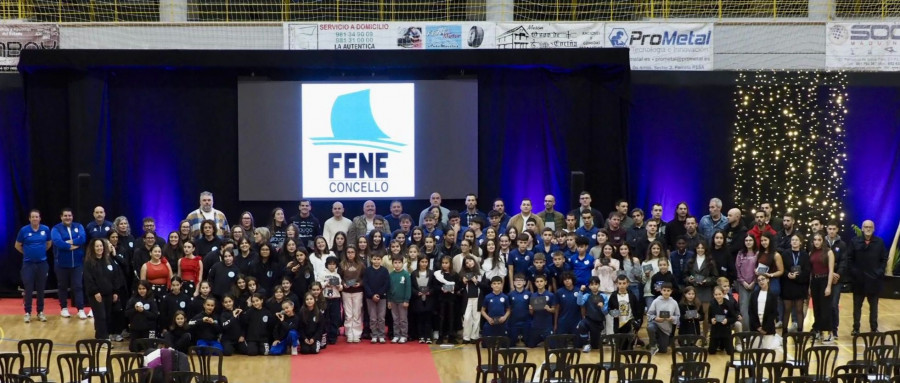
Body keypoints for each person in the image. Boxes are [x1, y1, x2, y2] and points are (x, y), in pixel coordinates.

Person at [847, 220, 887, 335]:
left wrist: (879, 272)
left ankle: (874, 328)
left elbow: (884, 259)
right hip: (858, 281)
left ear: (873, 229)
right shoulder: (855, 242)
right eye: (866, 227)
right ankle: (856, 328)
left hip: (874, 281)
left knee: (874, 307)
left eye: (870, 227)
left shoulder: (879, 243)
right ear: (862, 228)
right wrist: (854, 272)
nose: (868, 229)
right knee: (857, 307)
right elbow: (850, 259)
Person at [83, 238, 124, 340]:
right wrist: (95, 292)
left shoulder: (108, 260)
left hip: (109, 294)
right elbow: (89, 279)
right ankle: (103, 339)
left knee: (108, 316)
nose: (99, 248)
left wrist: (115, 291)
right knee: (100, 316)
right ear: (93, 248)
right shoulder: (89, 262)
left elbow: (115, 276)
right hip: (96, 295)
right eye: (97, 246)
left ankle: (102, 335)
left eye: (101, 246)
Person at [51, 208, 89, 319]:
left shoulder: (79, 226)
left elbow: (82, 239)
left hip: (77, 263)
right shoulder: (56, 229)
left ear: (72, 217)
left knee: (77, 286)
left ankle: (80, 309)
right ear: (61, 217)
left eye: (69, 215)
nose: (68, 218)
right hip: (61, 264)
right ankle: (64, 308)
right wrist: (70, 246)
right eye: (65, 216)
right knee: (62, 286)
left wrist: (69, 242)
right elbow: (58, 242)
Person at [16, 209, 52, 323]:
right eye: (33, 217)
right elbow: (17, 245)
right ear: (29, 219)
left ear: (40, 218)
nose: (35, 219)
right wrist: (27, 253)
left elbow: (49, 243)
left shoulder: (45, 229)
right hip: (28, 265)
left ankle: (40, 312)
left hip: (42, 264)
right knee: (28, 289)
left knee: (41, 289)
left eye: (37, 217)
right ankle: (27, 312)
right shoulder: (24, 230)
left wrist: (39, 253)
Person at [684, 242, 717, 341]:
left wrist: (706, 281)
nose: (700, 250)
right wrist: (689, 279)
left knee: (706, 317)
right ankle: (693, 336)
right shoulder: (690, 261)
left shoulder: (710, 262)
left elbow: (715, 278)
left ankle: (704, 338)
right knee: (693, 314)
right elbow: (685, 276)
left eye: (702, 248)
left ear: (705, 249)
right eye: (698, 248)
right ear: (695, 249)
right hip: (693, 292)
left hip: (706, 291)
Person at [808, 233, 835, 343]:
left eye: (819, 239)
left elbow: (831, 270)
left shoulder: (829, 252)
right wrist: (809, 286)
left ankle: (829, 332)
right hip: (815, 281)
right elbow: (811, 271)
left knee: (826, 308)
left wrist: (828, 286)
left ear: (822, 241)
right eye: (815, 240)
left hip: (824, 280)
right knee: (816, 308)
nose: (817, 242)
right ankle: (818, 330)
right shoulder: (811, 252)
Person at [780, 234, 810, 335]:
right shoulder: (785, 254)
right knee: (787, 309)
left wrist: (797, 277)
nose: (794, 242)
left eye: (796, 240)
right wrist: (788, 274)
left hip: (800, 285)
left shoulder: (805, 255)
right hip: (788, 284)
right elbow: (781, 269)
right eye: (793, 240)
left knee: (799, 310)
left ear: (800, 242)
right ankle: (784, 332)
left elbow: (807, 271)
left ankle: (800, 332)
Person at [824, 221, 848, 338]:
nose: (832, 231)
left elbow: (844, 261)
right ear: (826, 229)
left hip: (837, 280)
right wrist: (828, 273)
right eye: (830, 228)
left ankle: (834, 329)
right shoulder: (822, 242)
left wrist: (837, 274)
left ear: (837, 229)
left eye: (834, 228)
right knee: (823, 305)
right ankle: (821, 329)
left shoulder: (842, 244)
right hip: (823, 278)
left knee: (834, 305)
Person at [606, 275, 642, 350]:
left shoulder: (632, 295)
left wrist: (637, 321)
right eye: (620, 283)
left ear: (627, 284)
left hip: (629, 323)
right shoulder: (613, 296)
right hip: (618, 324)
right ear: (617, 284)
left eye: (624, 283)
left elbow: (637, 309)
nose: (622, 285)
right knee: (620, 348)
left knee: (629, 347)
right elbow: (609, 308)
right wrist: (613, 314)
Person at [647, 282, 680, 355]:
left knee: (663, 350)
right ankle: (653, 346)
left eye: (668, 291)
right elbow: (649, 314)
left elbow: (678, 316)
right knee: (650, 327)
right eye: (664, 290)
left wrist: (672, 318)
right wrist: (656, 318)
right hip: (656, 324)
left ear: (671, 291)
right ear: (661, 291)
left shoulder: (674, 303)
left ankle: (656, 343)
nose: (666, 292)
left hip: (666, 329)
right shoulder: (656, 301)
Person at [126, 281, 159, 352]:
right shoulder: (133, 299)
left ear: (147, 289)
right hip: (136, 329)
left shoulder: (151, 300)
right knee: (133, 349)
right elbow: (127, 313)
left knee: (150, 349)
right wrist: (135, 309)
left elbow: (155, 315)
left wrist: (143, 311)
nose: (141, 291)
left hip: (149, 329)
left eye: (143, 288)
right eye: (139, 289)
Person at [364, 255, 390, 344]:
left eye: (378, 259)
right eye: (374, 259)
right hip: (370, 298)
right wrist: (372, 295)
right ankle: (374, 335)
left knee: (381, 317)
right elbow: (365, 283)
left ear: (381, 260)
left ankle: (381, 335)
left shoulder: (384, 270)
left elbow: (386, 283)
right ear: (371, 260)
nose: (376, 261)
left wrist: (379, 294)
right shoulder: (367, 270)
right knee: (373, 318)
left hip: (382, 297)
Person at [576, 276, 606, 353]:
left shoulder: (604, 296)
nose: (594, 286)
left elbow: (606, 312)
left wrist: (602, 307)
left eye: (596, 284)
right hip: (588, 319)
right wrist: (580, 291)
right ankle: (586, 344)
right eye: (592, 284)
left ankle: (593, 343)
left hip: (598, 322)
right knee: (582, 325)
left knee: (595, 346)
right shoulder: (587, 295)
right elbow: (579, 302)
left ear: (599, 285)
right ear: (589, 286)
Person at [749, 274, 779, 349]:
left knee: (767, 349)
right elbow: (751, 311)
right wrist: (758, 327)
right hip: (756, 326)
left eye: (763, 279)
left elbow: (773, 313)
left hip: (768, 327)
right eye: (759, 280)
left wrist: (765, 328)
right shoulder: (754, 294)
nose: (761, 282)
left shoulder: (772, 295)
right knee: (754, 348)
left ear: (767, 280)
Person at [735, 235, 758, 330]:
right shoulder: (740, 254)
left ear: (754, 241)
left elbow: (759, 269)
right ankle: (745, 331)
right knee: (744, 308)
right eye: (746, 240)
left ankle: (754, 330)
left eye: (750, 240)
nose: (748, 242)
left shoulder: (757, 253)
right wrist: (743, 282)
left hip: (755, 284)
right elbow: (737, 269)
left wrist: (754, 282)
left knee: (754, 308)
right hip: (742, 284)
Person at [319, 257, 343, 344]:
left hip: (335, 298)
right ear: (327, 265)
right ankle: (324, 335)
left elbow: (341, 288)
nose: (332, 266)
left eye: (333, 264)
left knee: (335, 318)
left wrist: (338, 286)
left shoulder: (337, 275)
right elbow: (318, 285)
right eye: (330, 264)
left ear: (336, 265)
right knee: (325, 318)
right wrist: (326, 283)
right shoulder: (322, 273)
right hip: (325, 299)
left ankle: (333, 336)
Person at [388, 256, 411, 343]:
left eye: (399, 263)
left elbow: (408, 288)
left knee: (403, 319)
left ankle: (404, 335)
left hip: (402, 301)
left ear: (402, 263)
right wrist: (389, 300)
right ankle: (396, 335)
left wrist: (406, 300)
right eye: (395, 263)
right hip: (393, 301)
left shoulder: (406, 274)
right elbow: (389, 288)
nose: (397, 265)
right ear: (393, 264)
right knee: (395, 319)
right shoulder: (391, 275)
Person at [708, 285, 736, 355]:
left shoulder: (729, 304)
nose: (718, 296)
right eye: (716, 295)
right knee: (711, 351)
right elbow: (709, 318)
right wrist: (711, 320)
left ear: (723, 294)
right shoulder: (712, 304)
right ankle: (718, 345)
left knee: (730, 352)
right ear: (713, 295)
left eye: (719, 294)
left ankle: (723, 345)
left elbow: (734, 317)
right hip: (715, 330)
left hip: (725, 330)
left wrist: (727, 320)